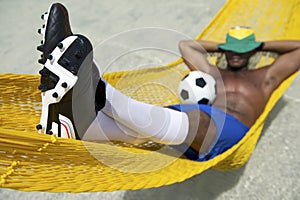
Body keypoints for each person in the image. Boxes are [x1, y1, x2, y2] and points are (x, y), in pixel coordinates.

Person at [36, 3, 300, 161]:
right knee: (149, 125)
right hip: (186, 122)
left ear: (251, 52)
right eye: (231, 49)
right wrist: (222, 46)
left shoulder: (264, 77)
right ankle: (81, 124)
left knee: (196, 121)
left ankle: (100, 91)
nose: (235, 53)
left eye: (241, 50)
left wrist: (258, 46)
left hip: (230, 129)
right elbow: (186, 45)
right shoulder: (212, 71)